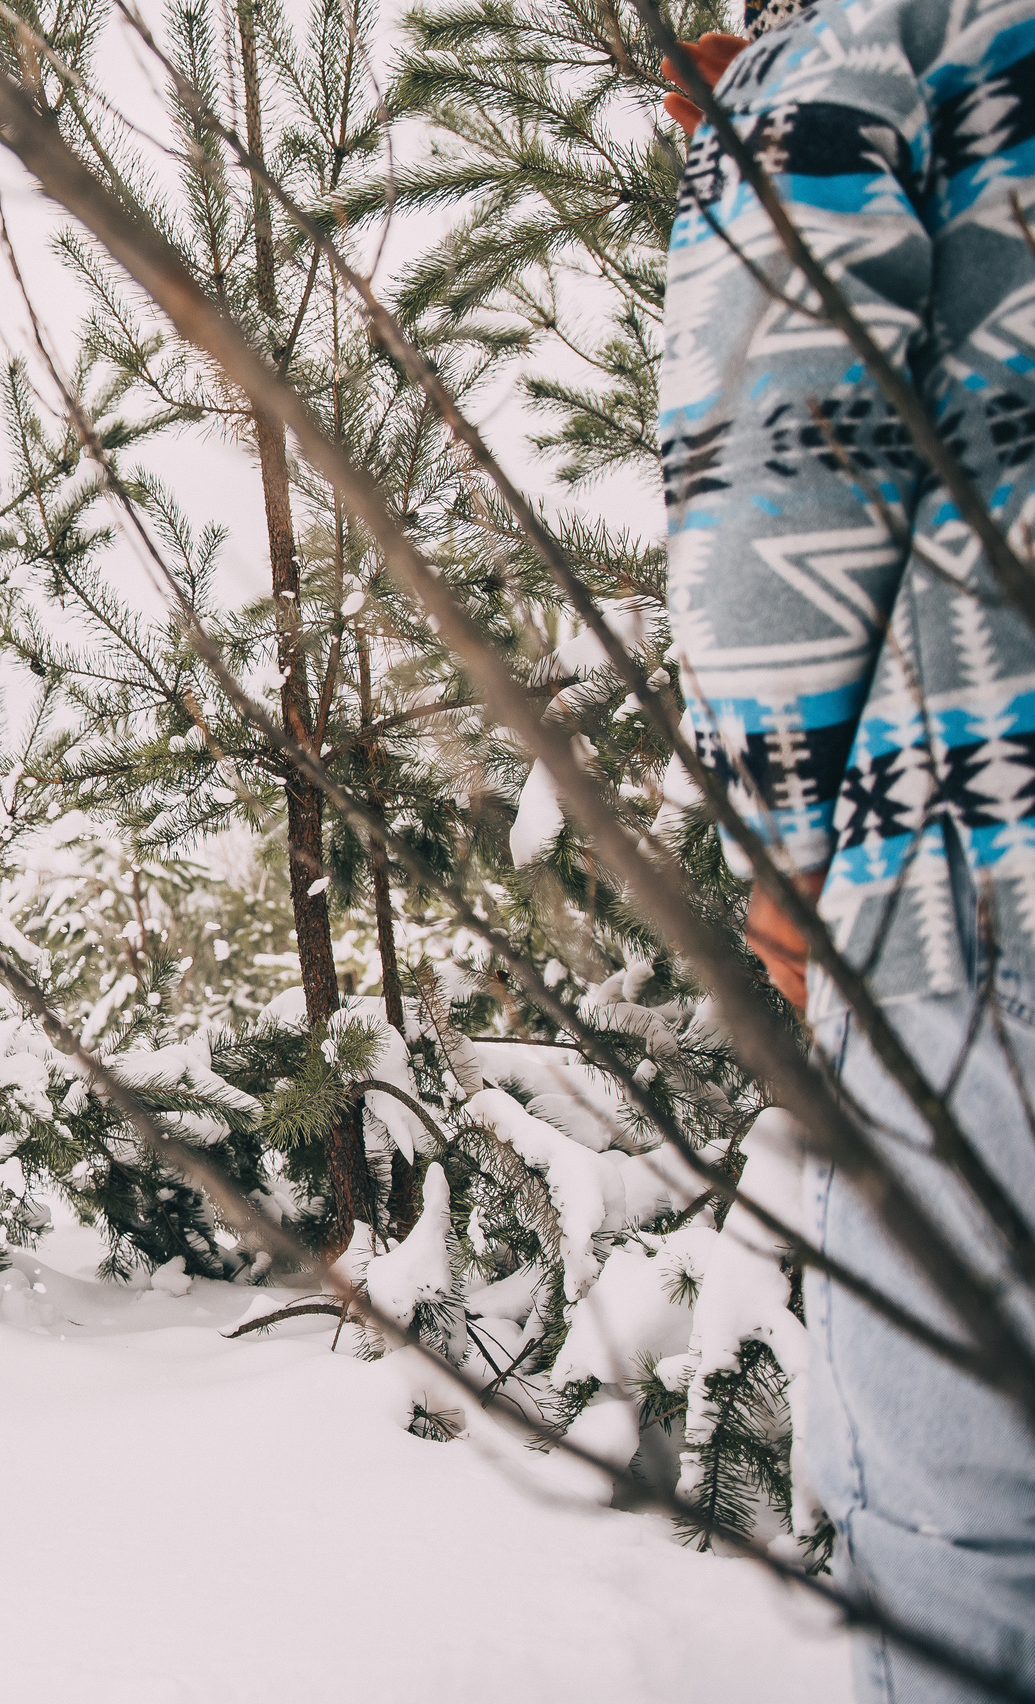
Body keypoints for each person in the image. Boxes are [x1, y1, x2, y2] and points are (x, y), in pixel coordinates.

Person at [661, 0, 1035, 1697]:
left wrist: (790, 842)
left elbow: (783, 450)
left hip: (974, 899)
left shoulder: (888, 39)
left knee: (966, 1550)